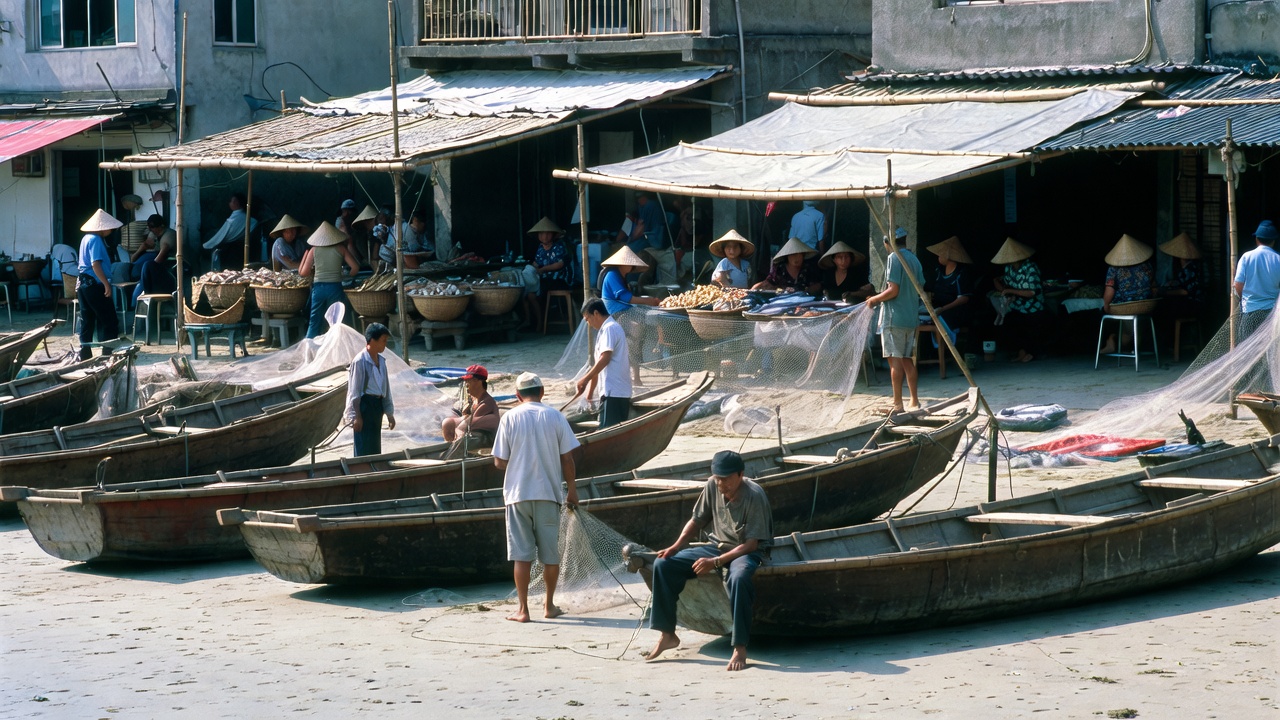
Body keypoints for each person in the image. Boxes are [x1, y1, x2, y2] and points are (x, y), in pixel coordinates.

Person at [646, 450, 772, 672]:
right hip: (717, 545)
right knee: (664, 564)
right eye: (717, 478)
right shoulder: (713, 486)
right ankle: (668, 634)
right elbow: (697, 520)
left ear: (741, 474)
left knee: (739, 579)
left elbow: (752, 544)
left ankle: (740, 646)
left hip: (745, 551)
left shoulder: (754, 495)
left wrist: (716, 562)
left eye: (726, 478)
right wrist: (676, 546)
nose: (721, 484)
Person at [493, 372, 580, 623]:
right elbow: (567, 459)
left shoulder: (509, 418)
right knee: (550, 556)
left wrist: (517, 461)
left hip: (517, 496)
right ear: (542, 392)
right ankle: (549, 606)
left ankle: (523, 610)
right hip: (548, 495)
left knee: (522, 556)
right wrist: (572, 490)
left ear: (517, 395)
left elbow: (499, 461)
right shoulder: (555, 416)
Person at [866, 227, 925, 413]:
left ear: (887, 243)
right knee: (908, 360)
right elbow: (920, 286)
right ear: (905, 240)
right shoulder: (914, 259)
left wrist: (874, 299)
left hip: (894, 319)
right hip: (910, 318)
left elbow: (893, 290)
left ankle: (897, 404)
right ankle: (914, 400)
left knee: (895, 363)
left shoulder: (894, 258)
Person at [299, 221, 361, 338]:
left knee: (314, 322)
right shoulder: (341, 248)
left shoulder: (314, 250)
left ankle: (308, 345)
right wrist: (345, 276)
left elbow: (304, 273)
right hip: (335, 287)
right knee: (336, 322)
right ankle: (336, 345)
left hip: (318, 289)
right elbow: (355, 267)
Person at [576, 298, 632, 429]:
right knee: (605, 429)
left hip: (615, 392)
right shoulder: (604, 331)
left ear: (596, 313)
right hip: (609, 393)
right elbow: (598, 366)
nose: (589, 323)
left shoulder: (610, 328)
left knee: (611, 431)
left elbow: (605, 359)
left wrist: (585, 379)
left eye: (587, 319)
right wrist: (589, 395)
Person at [75, 209, 123, 361]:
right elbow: (95, 264)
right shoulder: (95, 239)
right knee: (109, 320)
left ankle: (84, 354)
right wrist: (106, 284)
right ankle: (108, 354)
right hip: (94, 283)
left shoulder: (86, 238)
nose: (111, 231)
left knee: (87, 320)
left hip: (83, 283)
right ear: (103, 228)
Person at [1099, 234, 1157, 356]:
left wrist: (1106, 306)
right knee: (1137, 322)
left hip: (1124, 307)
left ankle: (1113, 340)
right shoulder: (1147, 265)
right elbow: (1154, 288)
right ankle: (1132, 346)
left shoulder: (1114, 269)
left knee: (1106, 313)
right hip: (1145, 306)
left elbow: (1109, 291)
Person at [344, 323, 396, 457]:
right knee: (363, 447)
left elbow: (385, 389)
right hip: (364, 408)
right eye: (383, 340)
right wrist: (357, 417)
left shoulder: (381, 361)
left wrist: (389, 414)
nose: (385, 344)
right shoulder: (359, 361)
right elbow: (354, 392)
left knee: (374, 447)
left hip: (377, 408)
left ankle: (374, 468)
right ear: (372, 340)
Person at [990, 237, 1045, 363]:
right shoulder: (1009, 268)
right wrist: (996, 282)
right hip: (1017, 306)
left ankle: (1032, 352)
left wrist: (1010, 291)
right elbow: (1004, 288)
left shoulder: (1030, 268)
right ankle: (1021, 351)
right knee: (1009, 323)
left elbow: (1031, 292)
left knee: (1029, 323)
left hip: (1033, 307)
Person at [522, 217, 573, 331]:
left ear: (553, 234)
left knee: (534, 294)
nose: (544, 236)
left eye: (547, 233)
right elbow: (537, 263)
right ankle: (531, 322)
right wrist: (532, 268)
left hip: (560, 280)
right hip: (545, 279)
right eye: (541, 234)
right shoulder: (540, 248)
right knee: (526, 294)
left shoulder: (559, 246)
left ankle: (541, 324)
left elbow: (559, 264)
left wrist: (543, 269)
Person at [1233, 219, 1280, 337]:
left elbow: (1238, 284)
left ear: (1257, 239)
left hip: (1250, 311)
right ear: (1273, 241)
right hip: (1271, 314)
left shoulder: (1246, 257)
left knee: (1247, 346)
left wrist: (1244, 298)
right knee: (1268, 346)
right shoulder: (1278, 259)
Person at [1156, 232, 1205, 339]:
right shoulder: (1186, 269)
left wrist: (1165, 292)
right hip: (1190, 303)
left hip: (1193, 305)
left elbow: (1185, 291)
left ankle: (1170, 341)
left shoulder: (1190, 269)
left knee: (1163, 309)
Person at [923, 235, 976, 329]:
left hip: (955, 312)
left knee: (940, 321)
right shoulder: (939, 271)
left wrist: (943, 309)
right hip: (938, 307)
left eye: (941, 255)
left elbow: (964, 298)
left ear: (948, 257)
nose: (939, 257)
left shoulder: (961, 273)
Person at [441, 364, 501, 443]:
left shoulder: (486, 403)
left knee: (462, 428)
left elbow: (468, 424)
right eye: (465, 381)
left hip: (484, 435)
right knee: (447, 423)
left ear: (478, 381)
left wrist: (458, 431)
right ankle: (449, 445)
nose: (466, 384)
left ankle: (456, 447)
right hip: (472, 427)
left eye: (468, 380)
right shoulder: (472, 399)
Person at [598, 246, 662, 316]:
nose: (631, 266)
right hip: (615, 312)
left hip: (623, 310)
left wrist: (650, 300)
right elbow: (626, 298)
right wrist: (649, 301)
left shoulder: (622, 275)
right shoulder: (612, 274)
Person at [202, 192, 257, 271]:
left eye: (231, 201)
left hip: (232, 250)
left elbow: (223, 235)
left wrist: (209, 244)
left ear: (236, 203)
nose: (230, 203)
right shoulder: (240, 217)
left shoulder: (237, 218)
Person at [133, 214, 179, 305]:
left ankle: (140, 302)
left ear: (161, 226)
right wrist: (141, 249)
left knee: (147, 266)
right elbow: (133, 259)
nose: (151, 230)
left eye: (153, 227)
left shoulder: (169, 236)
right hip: (154, 265)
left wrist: (148, 269)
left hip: (170, 267)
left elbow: (158, 260)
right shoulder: (153, 234)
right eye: (149, 228)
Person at [752, 237, 820, 294]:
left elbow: (817, 285)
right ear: (787, 256)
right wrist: (752, 290)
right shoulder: (780, 269)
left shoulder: (808, 268)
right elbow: (767, 283)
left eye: (800, 254)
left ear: (803, 255)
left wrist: (805, 291)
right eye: (793, 254)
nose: (796, 258)